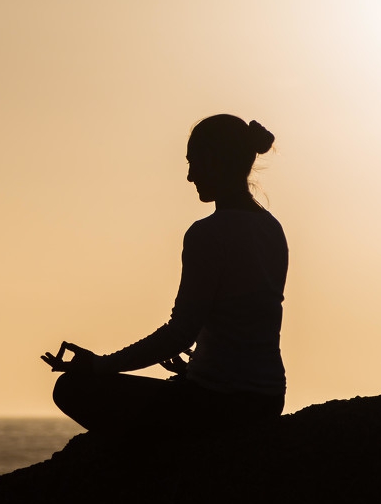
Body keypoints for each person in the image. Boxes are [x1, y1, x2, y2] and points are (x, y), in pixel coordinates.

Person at [41, 114, 287, 436]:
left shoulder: (208, 234)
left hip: (216, 403)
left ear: (214, 161)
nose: (189, 176)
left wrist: (99, 365)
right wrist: (198, 366)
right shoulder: (272, 229)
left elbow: (180, 333)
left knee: (70, 388)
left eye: (193, 162)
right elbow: (244, 319)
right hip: (267, 399)